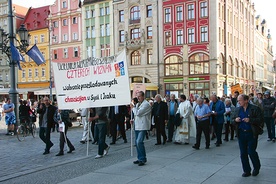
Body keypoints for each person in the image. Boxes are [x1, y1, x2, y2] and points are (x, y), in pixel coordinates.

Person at [232, 94, 262, 177]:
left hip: (251, 133)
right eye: (238, 100)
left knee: (251, 151)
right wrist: (235, 120)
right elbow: (232, 120)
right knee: (243, 153)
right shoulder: (238, 109)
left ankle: (256, 167)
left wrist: (250, 120)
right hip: (241, 133)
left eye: (240, 100)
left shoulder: (255, 108)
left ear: (246, 100)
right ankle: (246, 170)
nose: (238, 102)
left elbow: (260, 120)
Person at [131, 91, 151, 166]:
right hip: (137, 125)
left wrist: (132, 108)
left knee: (139, 142)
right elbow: (136, 115)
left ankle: (143, 158)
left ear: (143, 96)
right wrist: (133, 120)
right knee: (137, 143)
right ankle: (139, 158)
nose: (138, 98)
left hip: (143, 126)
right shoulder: (138, 104)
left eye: (139, 96)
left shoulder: (146, 104)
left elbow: (138, 113)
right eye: (137, 96)